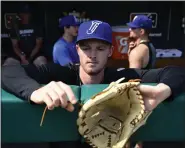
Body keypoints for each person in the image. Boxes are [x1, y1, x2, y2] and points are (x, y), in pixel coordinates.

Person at [2, 20, 185, 114]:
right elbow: (7, 69)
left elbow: (175, 72)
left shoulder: (121, 76)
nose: (92, 54)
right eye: (86, 48)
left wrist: (163, 90)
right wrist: (34, 92)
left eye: (100, 48)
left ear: (110, 51)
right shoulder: (60, 73)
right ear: (77, 50)